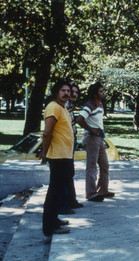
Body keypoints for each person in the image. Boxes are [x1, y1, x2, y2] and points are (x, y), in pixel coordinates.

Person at [40, 80, 74, 236]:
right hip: (58, 157)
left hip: (65, 155)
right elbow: (47, 132)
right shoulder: (53, 107)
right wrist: (44, 153)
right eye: (63, 90)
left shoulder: (62, 107)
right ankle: (49, 227)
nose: (66, 93)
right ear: (56, 92)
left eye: (68, 91)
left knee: (58, 191)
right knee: (54, 192)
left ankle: (54, 220)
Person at [76, 82, 114, 202]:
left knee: (104, 165)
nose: (103, 93)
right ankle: (91, 193)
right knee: (92, 166)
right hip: (91, 138)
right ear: (95, 94)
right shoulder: (89, 105)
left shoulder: (100, 105)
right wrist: (91, 129)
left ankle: (103, 190)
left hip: (99, 138)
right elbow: (79, 119)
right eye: (101, 91)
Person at [63, 81, 83, 210]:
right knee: (66, 173)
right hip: (64, 142)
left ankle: (71, 200)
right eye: (72, 92)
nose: (74, 94)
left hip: (71, 140)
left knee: (70, 172)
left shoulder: (70, 106)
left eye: (76, 92)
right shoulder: (64, 106)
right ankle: (65, 203)